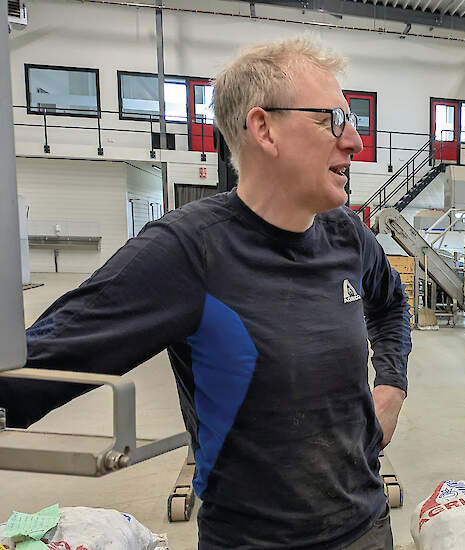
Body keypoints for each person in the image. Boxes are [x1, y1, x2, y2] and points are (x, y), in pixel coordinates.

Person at [0, 37, 411, 550]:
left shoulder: (347, 235)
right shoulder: (188, 252)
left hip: (367, 528)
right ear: (263, 128)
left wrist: (392, 383)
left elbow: (391, 304)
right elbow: (37, 368)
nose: (353, 141)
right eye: (333, 119)